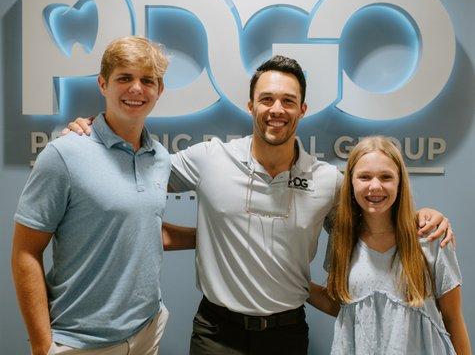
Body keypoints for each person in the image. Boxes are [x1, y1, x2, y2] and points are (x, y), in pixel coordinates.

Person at [65, 56, 452, 355]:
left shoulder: (327, 181)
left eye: (288, 101)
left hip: (286, 333)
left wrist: (422, 216)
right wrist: (91, 136)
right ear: (250, 105)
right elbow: (131, 173)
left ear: (303, 109)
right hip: (215, 331)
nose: (276, 109)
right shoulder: (208, 158)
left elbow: (373, 228)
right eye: (266, 99)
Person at [11, 36, 194, 355]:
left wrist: (216, 235)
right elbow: (26, 252)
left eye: (147, 80)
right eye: (125, 77)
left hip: (146, 330)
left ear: (159, 90)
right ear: (102, 84)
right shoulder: (64, 154)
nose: (136, 89)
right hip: (80, 340)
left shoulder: (160, 157)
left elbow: (145, 229)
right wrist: (43, 347)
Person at [310, 136, 470, 354]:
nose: (375, 186)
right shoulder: (342, 241)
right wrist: (295, 283)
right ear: (351, 183)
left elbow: (453, 319)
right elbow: (344, 306)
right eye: (364, 177)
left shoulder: (430, 236)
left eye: (386, 177)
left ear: (399, 182)